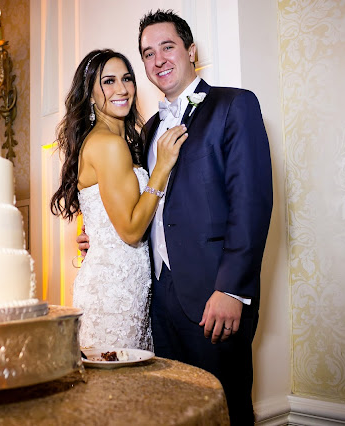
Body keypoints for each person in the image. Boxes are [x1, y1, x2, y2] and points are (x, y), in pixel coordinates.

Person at [78, 10, 272, 425]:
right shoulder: (146, 131)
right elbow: (137, 207)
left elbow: (251, 204)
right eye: (148, 53)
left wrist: (232, 290)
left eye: (167, 47)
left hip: (213, 297)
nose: (158, 59)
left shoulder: (234, 105)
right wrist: (100, 233)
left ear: (191, 51)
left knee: (225, 409)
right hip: (157, 300)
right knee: (170, 412)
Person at [50, 49, 188, 351]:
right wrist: (161, 168)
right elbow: (131, 230)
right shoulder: (108, 144)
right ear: (89, 94)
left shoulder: (123, 141)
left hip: (130, 287)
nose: (122, 89)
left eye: (127, 78)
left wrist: (94, 236)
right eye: (108, 81)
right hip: (113, 293)